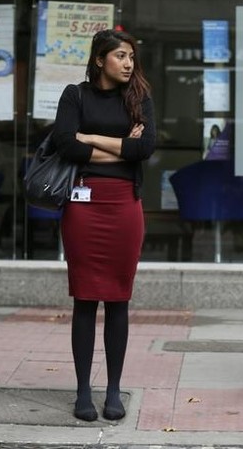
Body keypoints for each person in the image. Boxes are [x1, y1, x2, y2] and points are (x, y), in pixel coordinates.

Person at [52, 29, 156, 422]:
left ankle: (113, 391)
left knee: (118, 298)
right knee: (85, 297)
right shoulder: (75, 95)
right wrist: (120, 148)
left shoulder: (139, 97)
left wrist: (93, 139)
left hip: (125, 205)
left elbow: (144, 149)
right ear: (100, 60)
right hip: (84, 204)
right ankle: (83, 391)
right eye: (121, 56)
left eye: (131, 56)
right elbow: (66, 145)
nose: (129, 63)